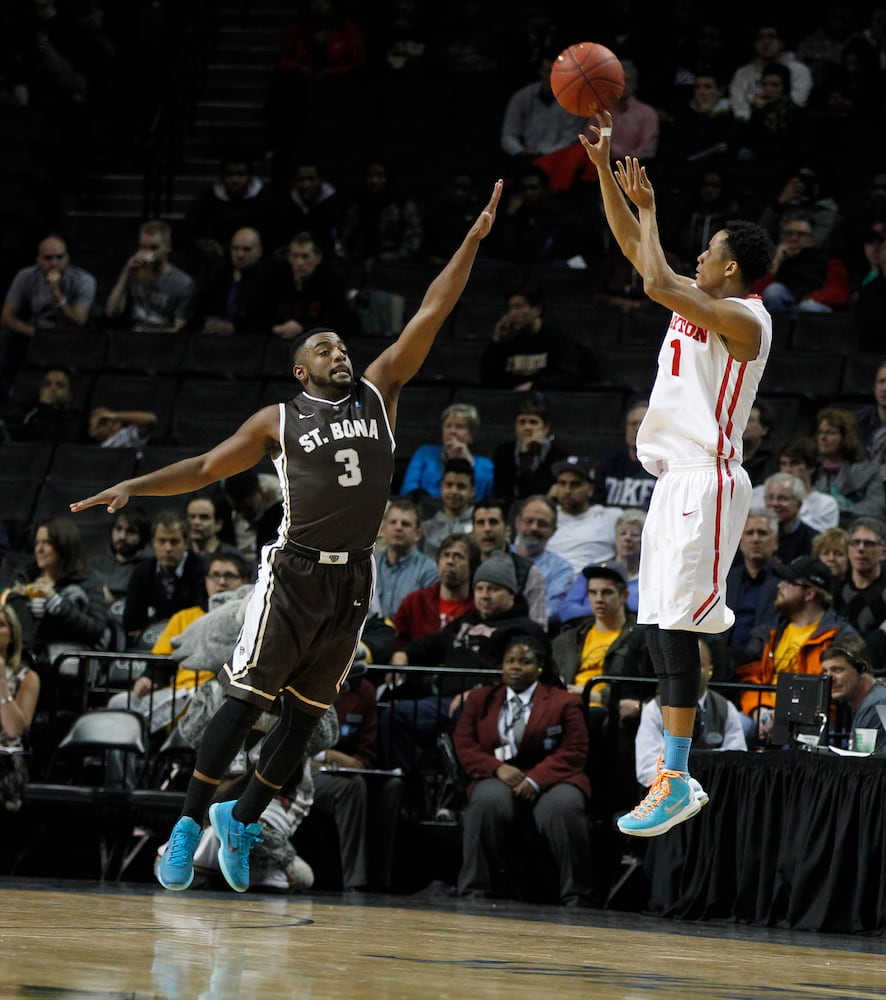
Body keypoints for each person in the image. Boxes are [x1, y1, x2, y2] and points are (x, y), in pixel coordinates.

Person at [69, 178, 503, 893]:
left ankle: (240, 821)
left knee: (304, 721)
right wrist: (136, 485)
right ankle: (185, 827)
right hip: (294, 571)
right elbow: (209, 466)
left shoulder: (379, 390)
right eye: (324, 349)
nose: (339, 353)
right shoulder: (279, 418)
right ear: (301, 369)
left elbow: (433, 308)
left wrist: (471, 241)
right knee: (244, 704)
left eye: (340, 345)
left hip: (353, 576)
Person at [579, 108, 775, 837]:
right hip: (674, 480)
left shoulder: (747, 319)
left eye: (710, 252)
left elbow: (659, 280)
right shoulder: (703, 296)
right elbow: (639, 252)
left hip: (708, 476)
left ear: (732, 268)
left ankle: (679, 773)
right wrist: (603, 171)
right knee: (660, 627)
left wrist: (653, 208)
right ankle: (673, 772)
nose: (700, 258)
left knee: (681, 627)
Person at [453, 631, 594, 906]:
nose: (515, 667)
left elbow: (574, 750)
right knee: (486, 801)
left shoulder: (564, 702)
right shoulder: (481, 699)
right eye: (510, 661)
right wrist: (497, 769)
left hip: (554, 777)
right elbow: (465, 744)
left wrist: (535, 779)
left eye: (524, 662)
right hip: (499, 775)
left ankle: (578, 895)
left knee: (563, 807)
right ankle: (474, 891)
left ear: (539, 667)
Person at [107, 553, 252, 739]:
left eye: (230, 576)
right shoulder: (184, 618)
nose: (221, 582)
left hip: (225, 694)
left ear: (245, 581)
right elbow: (161, 661)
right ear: (206, 580)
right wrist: (149, 678)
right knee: (119, 705)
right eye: (215, 575)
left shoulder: (253, 619)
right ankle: (128, 769)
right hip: (179, 694)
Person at [736, 556, 859, 743]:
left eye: (788, 582)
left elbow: (839, 693)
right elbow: (748, 676)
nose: (779, 586)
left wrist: (786, 716)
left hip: (814, 723)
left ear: (809, 593)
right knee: (737, 725)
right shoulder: (767, 632)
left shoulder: (840, 637)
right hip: (764, 713)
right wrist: (758, 710)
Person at [306, 659, 402, 891]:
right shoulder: (307, 681)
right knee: (352, 786)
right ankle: (355, 881)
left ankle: (381, 881)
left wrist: (348, 762)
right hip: (300, 771)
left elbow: (366, 753)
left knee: (391, 787)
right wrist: (326, 756)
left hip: (342, 771)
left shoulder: (364, 690)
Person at [634, 638, 747, 788]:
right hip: (667, 794)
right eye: (683, 667)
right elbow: (646, 768)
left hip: (716, 793)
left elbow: (737, 760)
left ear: (710, 670)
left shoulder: (725, 708)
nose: (690, 673)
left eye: (698, 665)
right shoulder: (654, 709)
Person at [10, 516, 112, 673]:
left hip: (66, 663)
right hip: (27, 658)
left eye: (47, 543)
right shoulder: (24, 578)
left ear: (64, 546)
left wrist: (56, 602)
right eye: (37, 543)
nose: (39, 549)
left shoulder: (88, 582)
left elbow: (95, 630)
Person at [0, 234, 97, 396]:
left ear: (68, 258)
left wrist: (57, 294)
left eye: (59, 257)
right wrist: (34, 333)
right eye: (48, 258)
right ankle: (7, 396)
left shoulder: (84, 280)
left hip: (69, 336)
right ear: (38, 259)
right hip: (36, 332)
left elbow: (79, 320)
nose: (54, 263)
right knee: (4, 337)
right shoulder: (26, 276)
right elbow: (7, 317)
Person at [122, 509, 208, 650]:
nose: (167, 548)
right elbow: (132, 625)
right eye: (162, 541)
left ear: (186, 543)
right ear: (153, 543)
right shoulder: (142, 571)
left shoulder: (203, 570)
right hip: (150, 645)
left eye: (174, 542)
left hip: (190, 645)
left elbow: (199, 618)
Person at [479, 285, 583, 391]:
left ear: (537, 309)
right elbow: (489, 379)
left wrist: (534, 386)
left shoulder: (558, 338)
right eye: (511, 308)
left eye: (519, 307)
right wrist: (497, 340)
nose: (513, 314)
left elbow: (569, 376)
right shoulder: (510, 339)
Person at [554, 507, 646, 627]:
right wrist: (608, 609)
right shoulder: (592, 571)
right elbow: (566, 611)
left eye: (635, 535)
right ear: (615, 538)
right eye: (623, 533)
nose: (627, 538)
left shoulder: (652, 579)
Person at [751, 210, 850, 318]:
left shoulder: (829, 263)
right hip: (782, 312)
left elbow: (839, 294)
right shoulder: (778, 261)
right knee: (774, 291)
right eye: (789, 233)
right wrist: (777, 260)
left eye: (801, 234)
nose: (794, 238)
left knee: (809, 307)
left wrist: (808, 300)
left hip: (812, 310)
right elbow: (755, 294)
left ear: (812, 238)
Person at [104, 219, 195, 333]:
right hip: (135, 335)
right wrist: (127, 272)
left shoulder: (183, 283)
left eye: (154, 248)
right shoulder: (134, 272)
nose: (148, 253)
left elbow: (179, 329)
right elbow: (112, 312)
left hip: (164, 340)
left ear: (167, 247)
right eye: (143, 247)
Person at [265, 230, 355, 340]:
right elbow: (255, 318)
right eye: (295, 256)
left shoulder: (332, 283)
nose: (299, 263)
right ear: (289, 257)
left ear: (318, 258)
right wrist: (276, 329)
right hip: (278, 345)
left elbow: (341, 324)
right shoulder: (274, 282)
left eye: (305, 256)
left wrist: (303, 329)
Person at [393, 531, 478, 648]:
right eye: (446, 555)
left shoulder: (479, 607)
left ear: (472, 566)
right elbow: (397, 644)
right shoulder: (415, 602)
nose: (450, 561)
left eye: (458, 556)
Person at [470, 500, 547, 628]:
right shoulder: (465, 568)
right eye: (480, 523)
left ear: (507, 530)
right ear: (472, 531)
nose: (487, 529)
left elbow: (538, 627)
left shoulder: (530, 573)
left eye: (493, 522)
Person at [399, 402, 494, 501]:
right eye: (448, 426)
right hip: (425, 507)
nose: (452, 431)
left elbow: (481, 495)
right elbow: (408, 488)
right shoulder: (424, 453)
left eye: (459, 427)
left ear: (472, 434)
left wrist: (468, 463)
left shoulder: (485, 465)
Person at [491, 390, 570, 508]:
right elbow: (502, 493)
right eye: (522, 422)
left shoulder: (558, 455)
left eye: (533, 422)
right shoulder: (504, 452)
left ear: (546, 428)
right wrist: (524, 455)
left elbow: (535, 494)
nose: (527, 427)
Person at [546, 456, 623, 575]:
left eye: (575, 484)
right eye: (562, 483)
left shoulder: (611, 517)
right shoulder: (543, 518)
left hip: (595, 586)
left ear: (590, 489)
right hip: (550, 583)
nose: (567, 491)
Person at [192, 227, 274, 336]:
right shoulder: (220, 275)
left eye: (247, 249)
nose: (240, 254)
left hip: (251, 342)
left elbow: (266, 319)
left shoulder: (270, 280)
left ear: (259, 251)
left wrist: (235, 327)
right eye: (235, 249)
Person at [723, 507, 780, 667]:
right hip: (722, 662)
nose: (755, 539)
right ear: (740, 542)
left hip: (763, 664)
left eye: (762, 533)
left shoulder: (784, 584)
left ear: (775, 542)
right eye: (749, 533)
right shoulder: (725, 579)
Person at [812, 406, 886, 527]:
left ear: (846, 437)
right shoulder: (809, 469)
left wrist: (839, 509)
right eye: (820, 432)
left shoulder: (868, 473)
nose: (822, 438)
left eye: (830, 433)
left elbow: (875, 508)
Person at [728, 22, 813, 124]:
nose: (766, 42)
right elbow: (739, 104)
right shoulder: (743, 73)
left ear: (782, 43)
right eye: (760, 37)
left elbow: (797, 101)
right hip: (751, 125)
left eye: (771, 37)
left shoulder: (799, 70)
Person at [832, 516, 886, 672]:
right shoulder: (837, 587)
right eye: (855, 543)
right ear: (849, 550)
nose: (861, 548)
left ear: (883, 553)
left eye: (868, 543)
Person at [0, 601, 39, 814]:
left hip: (7, 760)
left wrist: (2, 684)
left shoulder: (27, 678)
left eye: (1, 625)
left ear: (12, 634)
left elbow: (14, 729)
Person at [511, 494, 574, 625]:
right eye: (529, 521)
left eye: (542, 524)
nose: (534, 528)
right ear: (517, 523)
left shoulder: (561, 569)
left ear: (553, 530)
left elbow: (551, 611)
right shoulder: (501, 555)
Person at [373, 497, 438, 621]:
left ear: (418, 534)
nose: (398, 528)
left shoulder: (430, 571)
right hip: (369, 636)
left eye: (405, 524)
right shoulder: (370, 565)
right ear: (383, 529)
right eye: (393, 522)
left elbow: (426, 617)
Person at [821, 637, 886, 750]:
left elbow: (864, 764)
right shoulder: (869, 702)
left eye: (837, 670)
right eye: (825, 671)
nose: (829, 679)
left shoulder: (879, 705)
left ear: (862, 669)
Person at [593, 400, 655, 510]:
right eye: (633, 424)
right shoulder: (608, 464)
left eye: (643, 423)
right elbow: (596, 504)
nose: (637, 429)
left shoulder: (662, 467)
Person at [772, 435, 840, 531]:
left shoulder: (827, 504)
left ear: (811, 467)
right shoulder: (758, 495)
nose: (787, 470)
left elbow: (821, 540)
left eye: (795, 463)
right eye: (783, 464)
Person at [219, 469, 284, 568]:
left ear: (260, 491)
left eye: (248, 509)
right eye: (238, 509)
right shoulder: (223, 501)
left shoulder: (280, 494)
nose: (243, 514)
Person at [4, 366, 85, 444]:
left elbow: (57, 442)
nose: (53, 389)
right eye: (47, 384)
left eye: (60, 385)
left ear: (70, 395)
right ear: (41, 390)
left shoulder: (76, 418)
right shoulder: (27, 413)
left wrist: (47, 407)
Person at [418, 458, 475, 560]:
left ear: (472, 491)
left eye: (461, 486)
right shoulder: (425, 529)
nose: (454, 491)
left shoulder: (480, 525)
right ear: (441, 487)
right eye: (449, 485)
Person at [762, 471, 819, 563]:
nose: (774, 503)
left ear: (798, 505)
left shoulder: (814, 541)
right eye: (770, 497)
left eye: (782, 498)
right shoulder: (752, 538)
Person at [185, 494, 242, 561]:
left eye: (204, 517)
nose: (196, 522)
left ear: (218, 524)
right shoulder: (181, 555)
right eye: (192, 517)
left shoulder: (233, 557)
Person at [741, 400, 779, 488]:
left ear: (764, 429)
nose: (743, 425)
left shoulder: (774, 460)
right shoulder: (726, 454)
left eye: (749, 420)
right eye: (742, 420)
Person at [87, 405, 157, 449]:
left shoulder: (127, 435)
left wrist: (114, 416)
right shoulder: (91, 449)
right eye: (93, 422)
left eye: (104, 422)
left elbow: (150, 419)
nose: (97, 425)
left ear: (117, 424)